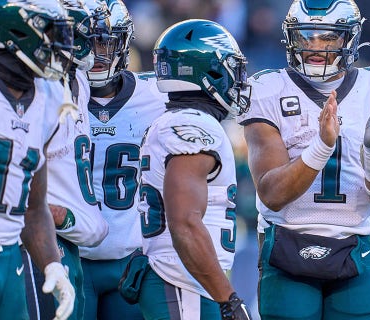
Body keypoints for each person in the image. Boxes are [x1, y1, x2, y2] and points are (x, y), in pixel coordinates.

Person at [237, 0, 370, 318]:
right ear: (291, 38)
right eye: (306, 35)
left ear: (349, 38)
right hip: (286, 241)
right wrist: (322, 146)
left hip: (354, 244)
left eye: (328, 36)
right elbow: (272, 195)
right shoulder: (267, 89)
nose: (316, 45)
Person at [135, 18, 252, 320]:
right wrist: (229, 299)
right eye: (231, 68)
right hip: (181, 280)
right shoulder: (193, 126)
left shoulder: (176, 121)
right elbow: (185, 223)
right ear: (210, 70)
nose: (237, 79)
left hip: (188, 279)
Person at [0, 0, 77, 319]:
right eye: (50, 34)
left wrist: (53, 264)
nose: (60, 46)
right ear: (16, 33)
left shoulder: (50, 98)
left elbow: (34, 204)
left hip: (10, 258)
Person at [79, 0, 167, 319]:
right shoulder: (53, 94)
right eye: (88, 42)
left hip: (130, 258)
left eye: (107, 42)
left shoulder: (157, 97)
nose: (98, 53)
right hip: (69, 254)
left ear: (125, 43)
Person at [23, 1, 111, 319]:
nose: (100, 49)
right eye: (94, 38)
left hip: (71, 241)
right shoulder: (40, 86)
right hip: (43, 239)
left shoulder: (79, 81)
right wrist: (48, 213)